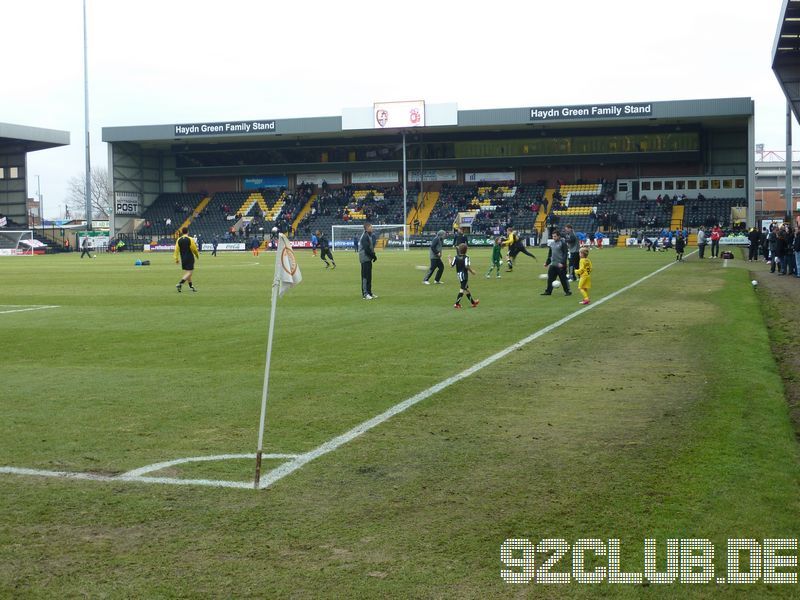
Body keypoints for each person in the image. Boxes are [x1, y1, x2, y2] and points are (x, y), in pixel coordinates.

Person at [541, 229, 572, 296]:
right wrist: (547, 263)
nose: (553, 237)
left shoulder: (563, 244)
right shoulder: (551, 244)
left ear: (558, 236)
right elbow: (550, 255)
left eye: (555, 236)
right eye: (553, 236)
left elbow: (565, 254)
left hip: (560, 265)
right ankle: (548, 291)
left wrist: (562, 263)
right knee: (550, 279)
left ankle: (567, 291)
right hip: (553, 265)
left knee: (563, 279)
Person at [449, 243, 479, 309]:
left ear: (459, 250)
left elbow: (451, 265)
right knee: (462, 289)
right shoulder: (466, 257)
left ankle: (473, 302)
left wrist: (449, 259)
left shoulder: (455, 257)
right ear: (466, 250)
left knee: (466, 289)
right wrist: (472, 272)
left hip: (459, 275)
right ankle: (456, 304)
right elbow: (466, 266)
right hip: (464, 275)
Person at [174, 226, 199, 292]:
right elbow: (194, 249)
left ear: (182, 232)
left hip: (183, 258)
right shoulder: (190, 239)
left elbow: (176, 250)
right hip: (190, 257)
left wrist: (176, 259)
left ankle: (191, 286)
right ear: (188, 232)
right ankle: (180, 283)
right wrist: (197, 255)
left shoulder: (178, 240)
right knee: (190, 272)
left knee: (188, 272)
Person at [359, 222, 377, 299]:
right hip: (365, 258)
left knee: (369, 276)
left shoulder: (368, 236)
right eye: (371, 227)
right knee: (365, 276)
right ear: (367, 228)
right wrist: (373, 255)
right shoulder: (364, 236)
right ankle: (365, 294)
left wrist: (372, 256)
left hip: (368, 258)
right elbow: (366, 249)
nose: (372, 228)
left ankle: (369, 292)